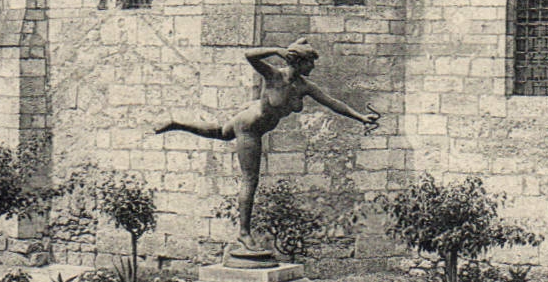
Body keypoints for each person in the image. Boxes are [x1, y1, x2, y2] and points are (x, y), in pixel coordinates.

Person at [154, 40, 379, 250]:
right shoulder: (273, 76)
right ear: (298, 61)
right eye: (309, 62)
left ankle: (176, 123)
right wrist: (275, 50)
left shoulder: (304, 86)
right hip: (250, 127)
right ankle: (243, 232)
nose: (312, 66)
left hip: (251, 116)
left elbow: (333, 103)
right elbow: (249, 56)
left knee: (221, 132)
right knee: (250, 179)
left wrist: (361, 117)